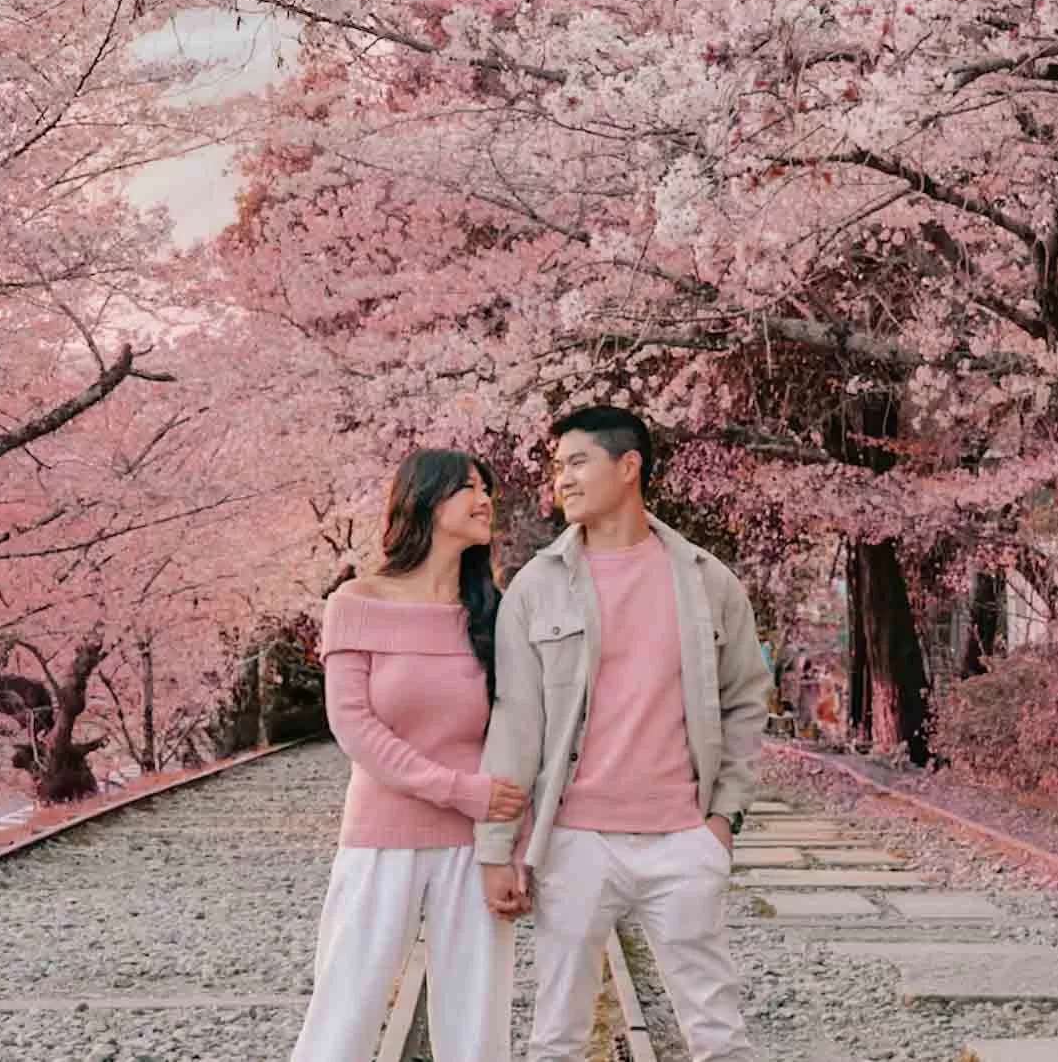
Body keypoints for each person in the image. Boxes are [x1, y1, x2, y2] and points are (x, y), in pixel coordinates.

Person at [475, 406, 770, 1062]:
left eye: (577, 461)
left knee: (720, 1034)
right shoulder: (535, 588)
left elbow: (747, 700)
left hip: (683, 839)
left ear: (628, 466)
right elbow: (515, 723)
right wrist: (498, 846)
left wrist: (722, 818)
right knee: (556, 1037)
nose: (562, 480)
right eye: (557, 467)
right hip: (575, 842)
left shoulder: (706, 579)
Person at [291, 449, 528, 1061]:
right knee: (343, 1014)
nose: (485, 501)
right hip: (379, 839)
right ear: (425, 498)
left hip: (476, 844)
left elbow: (518, 729)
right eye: (469, 489)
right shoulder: (355, 602)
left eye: (487, 490)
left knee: (477, 1030)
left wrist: (510, 845)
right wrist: (458, 789)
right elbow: (354, 727)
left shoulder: (496, 613)